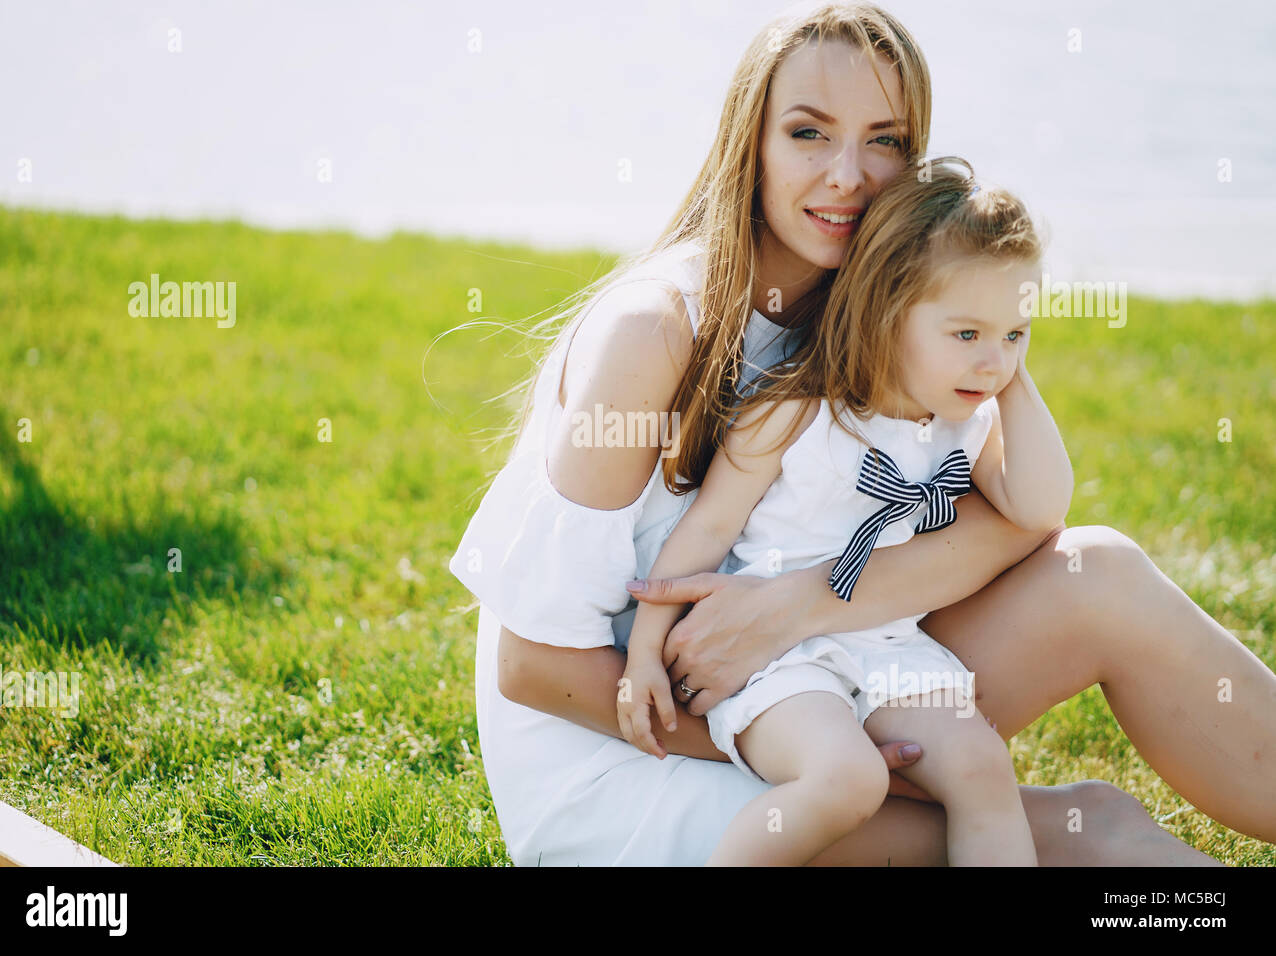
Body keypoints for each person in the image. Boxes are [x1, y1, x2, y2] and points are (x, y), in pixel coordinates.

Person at [449, 2, 1269, 865]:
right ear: (750, 141)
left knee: (1100, 574)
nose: (848, 175)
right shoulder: (657, 332)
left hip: (820, 671)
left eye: (884, 140)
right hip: (633, 753)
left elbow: (1025, 515)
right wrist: (815, 749)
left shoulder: (885, 313)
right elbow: (533, 671)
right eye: (809, 133)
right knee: (1087, 840)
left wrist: (802, 607)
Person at [618, 158, 1064, 866]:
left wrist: (1008, 372)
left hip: (882, 645)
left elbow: (1042, 506)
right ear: (888, 310)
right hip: (771, 656)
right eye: (966, 334)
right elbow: (706, 529)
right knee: (845, 777)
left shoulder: (968, 422)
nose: (993, 362)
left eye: (1016, 333)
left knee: (981, 765)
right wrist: (645, 649)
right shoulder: (794, 410)